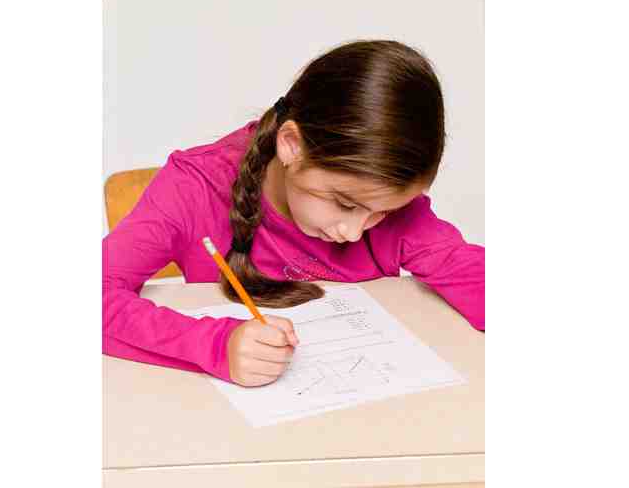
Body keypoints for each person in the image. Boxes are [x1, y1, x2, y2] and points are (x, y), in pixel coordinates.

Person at [103, 40, 485, 387]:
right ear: (291, 145)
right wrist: (214, 345)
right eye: (345, 204)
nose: (354, 232)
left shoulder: (380, 193)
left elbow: (469, 273)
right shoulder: (194, 188)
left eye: (383, 213)